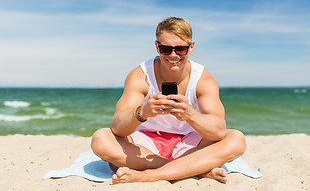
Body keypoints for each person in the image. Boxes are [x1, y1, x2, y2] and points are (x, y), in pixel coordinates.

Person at [91, 17, 246, 184]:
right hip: (146, 144)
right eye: (166, 49)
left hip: (189, 144)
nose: (173, 55)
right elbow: (118, 127)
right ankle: (193, 170)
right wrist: (141, 113)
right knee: (101, 139)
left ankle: (149, 175)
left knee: (236, 139)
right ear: (157, 46)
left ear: (191, 47)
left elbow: (218, 131)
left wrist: (190, 115)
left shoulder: (203, 79)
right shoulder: (140, 75)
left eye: (180, 49)